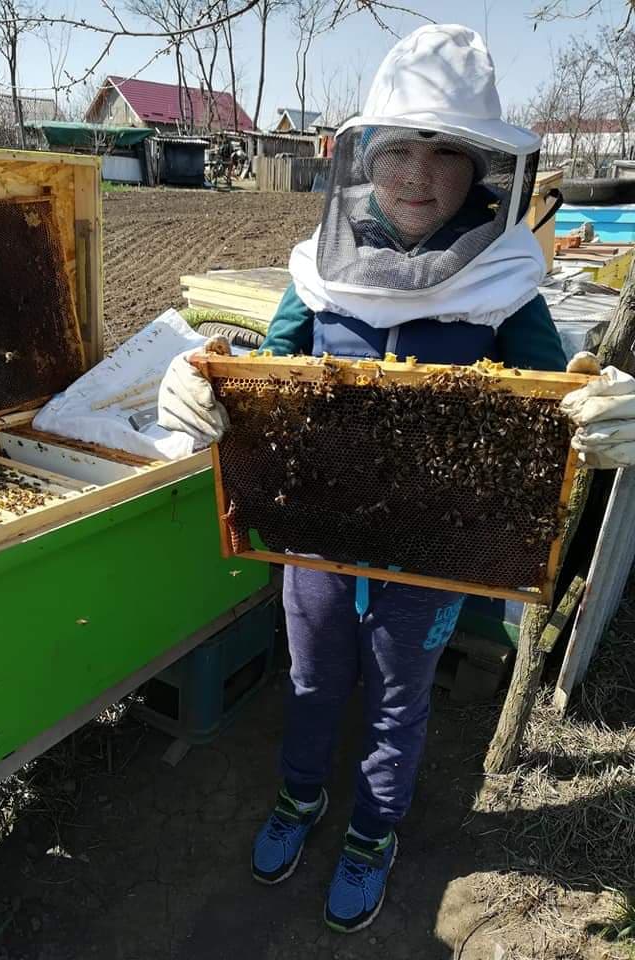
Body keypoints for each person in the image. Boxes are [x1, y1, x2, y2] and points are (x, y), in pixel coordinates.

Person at [159, 23, 635, 934]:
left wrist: (603, 405)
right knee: (310, 682)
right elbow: (266, 374)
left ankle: (372, 832)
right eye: (398, 151)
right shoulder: (317, 274)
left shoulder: (508, 285)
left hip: (434, 549)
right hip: (318, 538)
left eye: (445, 152)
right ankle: (299, 798)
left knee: (397, 701)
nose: (418, 174)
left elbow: (561, 401)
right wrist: (204, 378)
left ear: (484, 171)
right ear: (363, 159)